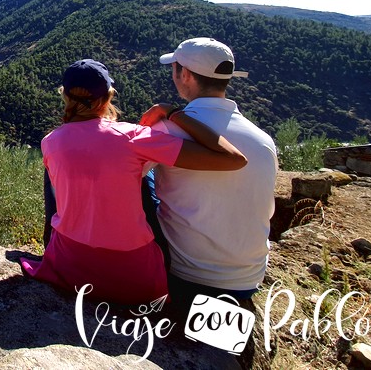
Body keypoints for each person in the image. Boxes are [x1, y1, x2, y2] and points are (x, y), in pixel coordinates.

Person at [19, 59, 247, 305]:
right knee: (143, 171)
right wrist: (173, 114)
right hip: (133, 278)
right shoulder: (133, 137)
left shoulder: (50, 141)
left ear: (64, 96)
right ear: (107, 98)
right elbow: (232, 159)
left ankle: (48, 244)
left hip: (68, 266)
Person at [140, 37, 278, 309]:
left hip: (186, 275)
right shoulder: (263, 140)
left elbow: (120, 175)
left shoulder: (168, 129)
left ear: (186, 75)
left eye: (174, 68)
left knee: (144, 176)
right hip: (247, 280)